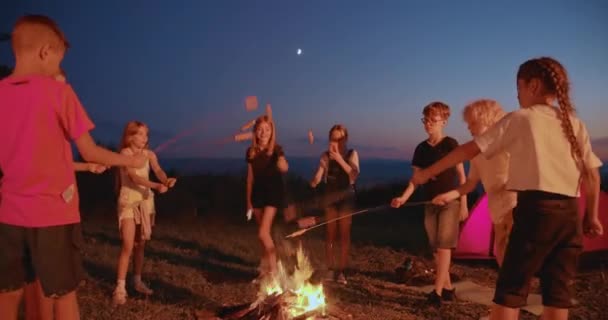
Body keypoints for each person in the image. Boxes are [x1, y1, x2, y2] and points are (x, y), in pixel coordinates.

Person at [412, 57, 604, 320]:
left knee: (510, 292)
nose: (517, 97)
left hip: (535, 210)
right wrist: (591, 216)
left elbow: (469, 149)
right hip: (569, 215)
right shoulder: (574, 123)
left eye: (519, 90)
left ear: (533, 86)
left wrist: (427, 173)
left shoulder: (521, 118)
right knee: (557, 296)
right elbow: (591, 175)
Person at [0, 14, 145, 320]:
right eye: (58, 59)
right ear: (45, 52)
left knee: (9, 294)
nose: (57, 68)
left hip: (8, 217)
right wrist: (130, 160)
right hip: (54, 216)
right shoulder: (59, 93)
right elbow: (91, 150)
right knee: (63, 295)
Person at [391, 101, 468, 306]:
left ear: (443, 121)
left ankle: (438, 292)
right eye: (425, 120)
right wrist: (403, 198)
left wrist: (464, 204)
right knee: (436, 249)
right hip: (429, 202)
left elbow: (462, 177)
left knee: (444, 247)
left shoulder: (451, 144)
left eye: (432, 120)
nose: (428, 124)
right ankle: (449, 289)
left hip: (450, 202)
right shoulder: (421, 149)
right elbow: (415, 179)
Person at [432, 99, 515, 267]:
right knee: (500, 244)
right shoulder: (476, 154)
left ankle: (516, 286)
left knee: (514, 245)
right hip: (496, 206)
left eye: (473, 123)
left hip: (515, 202)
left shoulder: (507, 143)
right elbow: (470, 183)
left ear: (488, 120)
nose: (469, 128)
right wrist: (450, 195)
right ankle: (507, 284)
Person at [112, 121, 177, 305]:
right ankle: (120, 287)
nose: (144, 138)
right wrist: (155, 185)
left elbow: (158, 170)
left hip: (145, 202)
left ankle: (137, 281)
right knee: (127, 244)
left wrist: (166, 180)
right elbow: (133, 176)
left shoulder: (149, 154)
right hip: (129, 202)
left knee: (140, 244)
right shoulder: (125, 154)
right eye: (140, 134)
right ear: (130, 136)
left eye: (146, 134)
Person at [310, 124, 360, 285]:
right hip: (330, 197)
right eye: (333, 138)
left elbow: (353, 175)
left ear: (345, 139)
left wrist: (338, 157)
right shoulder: (325, 156)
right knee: (330, 233)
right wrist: (314, 181)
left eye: (340, 138)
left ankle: (341, 270)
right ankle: (331, 268)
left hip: (346, 196)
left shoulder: (352, 154)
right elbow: (319, 175)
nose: (337, 141)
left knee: (344, 234)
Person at [246, 115, 288, 279]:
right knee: (264, 236)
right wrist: (248, 202)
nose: (264, 133)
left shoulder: (276, 150)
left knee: (263, 233)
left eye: (267, 129)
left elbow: (284, 165)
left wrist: (282, 164)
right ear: (255, 132)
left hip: (273, 195)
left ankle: (275, 273)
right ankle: (264, 271)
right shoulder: (251, 152)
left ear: (272, 132)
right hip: (257, 195)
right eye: (260, 129)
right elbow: (250, 179)